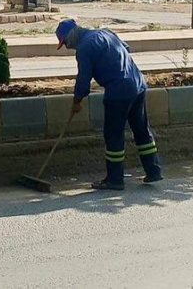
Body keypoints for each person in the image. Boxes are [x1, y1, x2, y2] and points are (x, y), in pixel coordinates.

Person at [56, 19, 162, 190]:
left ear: (71, 36)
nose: (67, 47)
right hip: (138, 84)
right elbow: (126, 49)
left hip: (118, 91)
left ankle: (115, 179)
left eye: (65, 42)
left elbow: (83, 79)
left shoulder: (84, 49)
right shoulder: (106, 32)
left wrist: (77, 101)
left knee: (113, 134)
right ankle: (154, 170)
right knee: (141, 129)